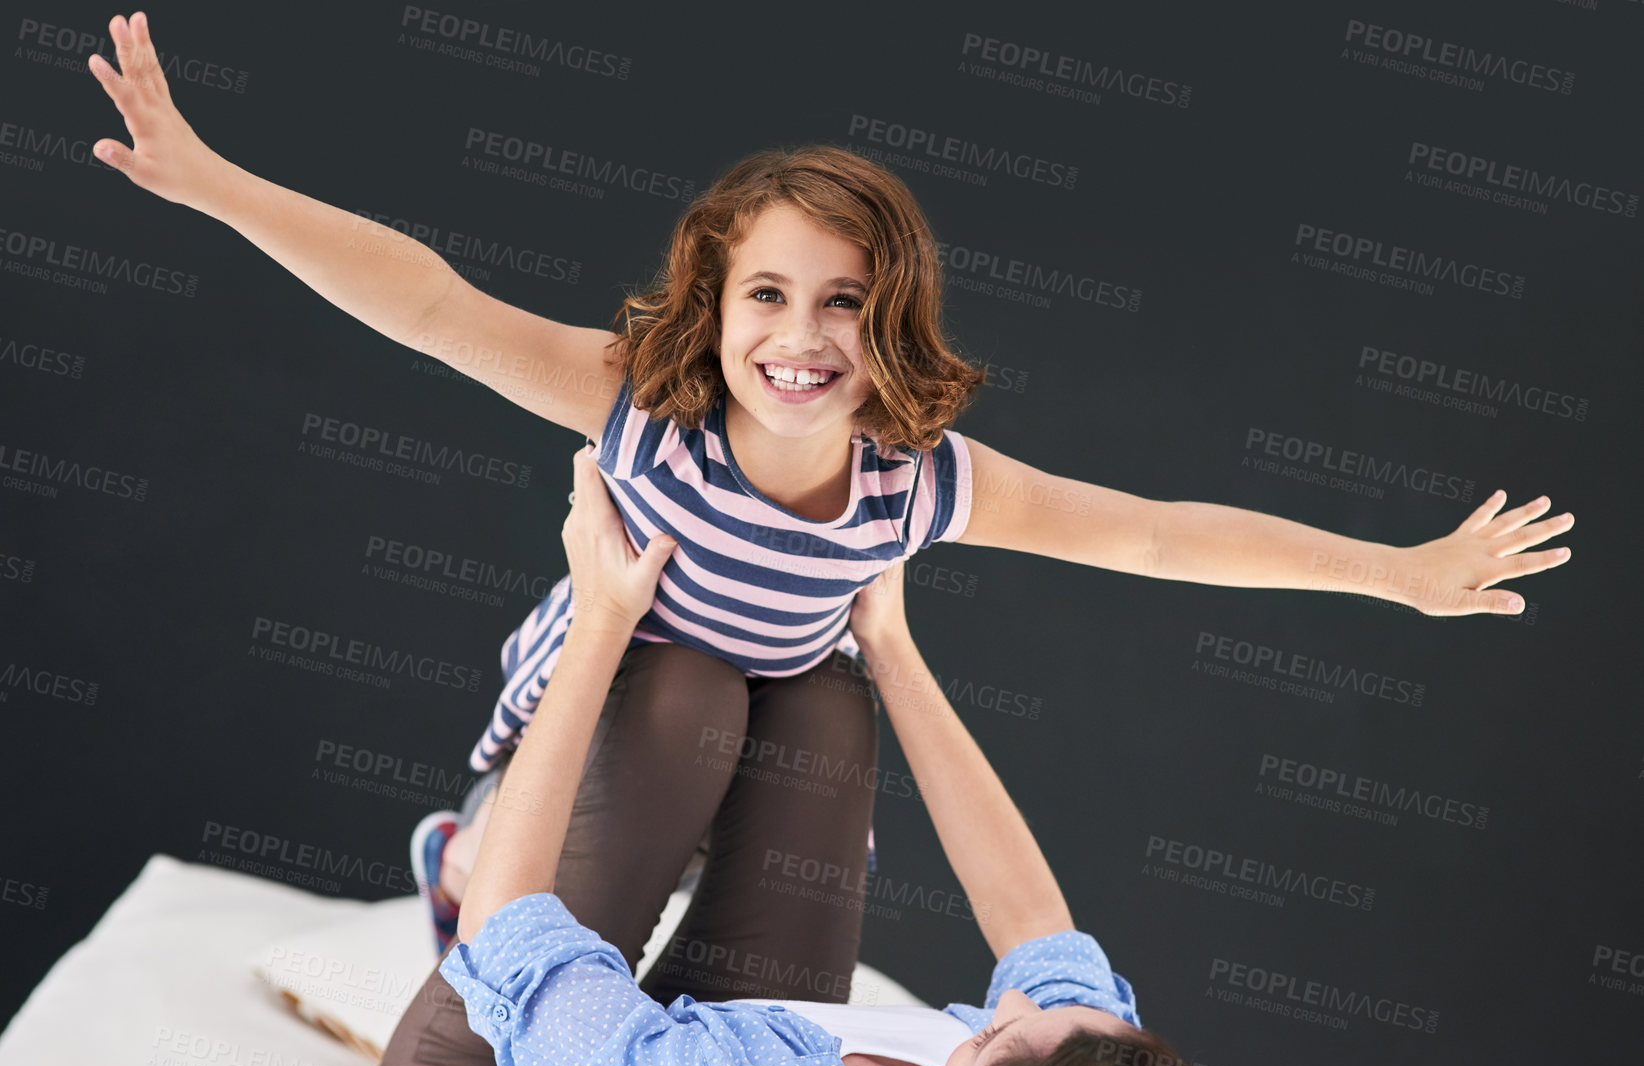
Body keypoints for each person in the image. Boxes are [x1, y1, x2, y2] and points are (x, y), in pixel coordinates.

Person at [85, 12, 1576, 952]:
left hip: (746, 778)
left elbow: (1155, 534)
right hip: (582, 748)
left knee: (815, 702)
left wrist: (1398, 570)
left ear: (893, 325)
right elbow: (425, 298)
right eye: (767, 299)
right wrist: (212, 181)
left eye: (844, 304)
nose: (802, 340)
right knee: (685, 688)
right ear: (711, 311)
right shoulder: (640, 409)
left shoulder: (910, 486)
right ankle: (462, 862)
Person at [367, 448, 1271, 1066]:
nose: (1018, 1005)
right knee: (825, 701)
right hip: (721, 1045)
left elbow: (510, 930)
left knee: (681, 692)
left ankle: (455, 859)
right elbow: (1034, 921)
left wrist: (603, 614)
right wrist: (891, 645)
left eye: (998, 1046)